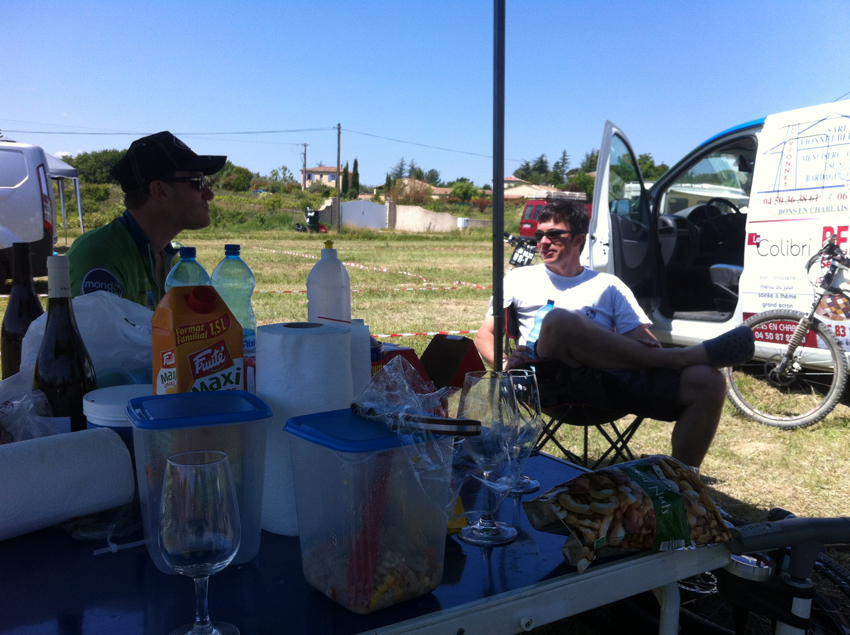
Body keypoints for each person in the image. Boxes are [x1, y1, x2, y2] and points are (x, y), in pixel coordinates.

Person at [475, 199, 754, 468]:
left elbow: (641, 340)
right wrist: (505, 365)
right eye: (539, 235)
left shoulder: (608, 285)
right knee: (559, 319)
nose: (543, 242)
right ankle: (680, 358)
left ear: (579, 239)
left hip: (606, 383)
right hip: (547, 383)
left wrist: (647, 346)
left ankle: (683, 481)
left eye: (554, 234)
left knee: (708, 380)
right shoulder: (519, 278)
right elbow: (484, 336)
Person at [67, 131, 226, 310]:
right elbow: (93, 329)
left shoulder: (172, 258)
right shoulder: (99, 256)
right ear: (160, 191)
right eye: (198, 182)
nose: (210, 194)